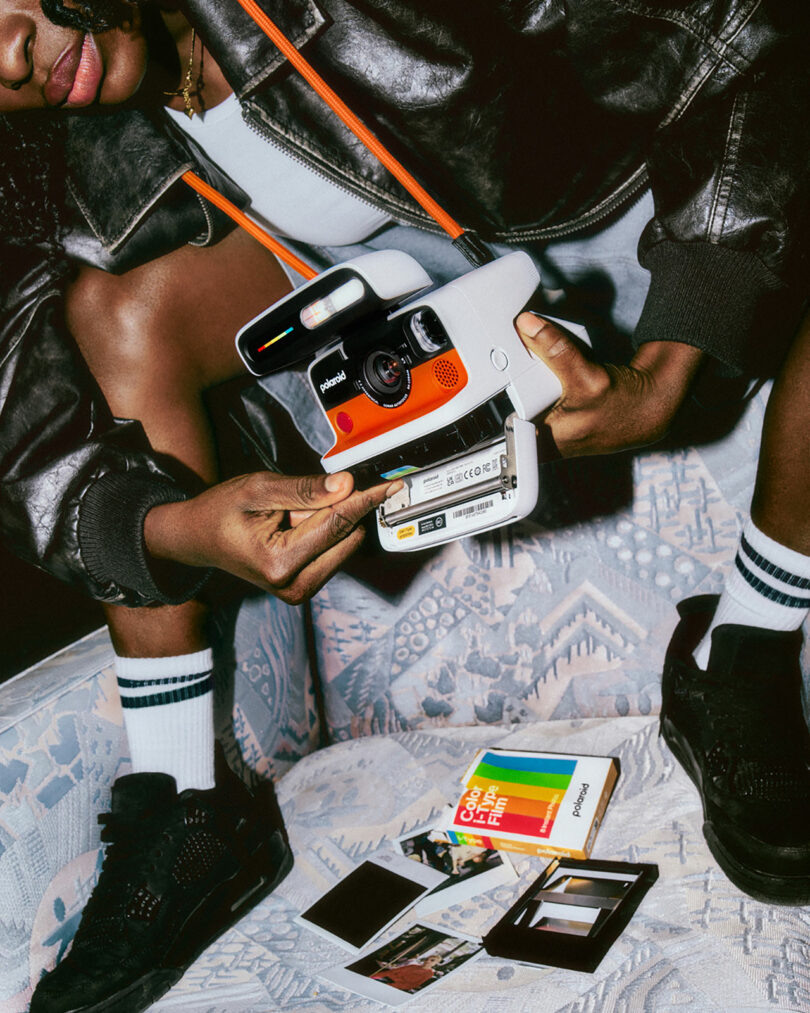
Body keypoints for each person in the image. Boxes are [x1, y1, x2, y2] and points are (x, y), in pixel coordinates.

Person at [1, 1, 808, 1010]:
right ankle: (187, 804)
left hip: (620, 214)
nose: (8, 57)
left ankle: (744, 647)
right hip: (395, 296)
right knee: (111, 308)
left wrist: (672, 360)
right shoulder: (53, 136)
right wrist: (177, 528)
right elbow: (26, 422)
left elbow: (745, 34)